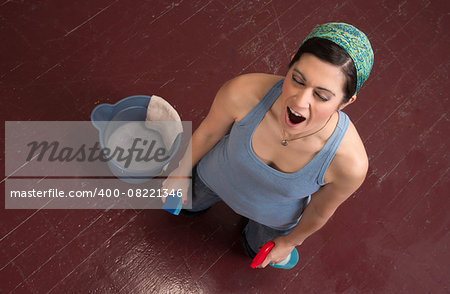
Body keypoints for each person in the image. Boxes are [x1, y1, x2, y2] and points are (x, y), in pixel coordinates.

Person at [162, 22, 374, 269]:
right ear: (291, 61)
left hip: (273, 220)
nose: (300, 101)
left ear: (346, 102)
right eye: (297, 79)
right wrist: (179, 172)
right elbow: (208, 135)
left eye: (322, 96)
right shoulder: (243, 92)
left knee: (254, 248)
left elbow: (319, 212)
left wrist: (290, 242)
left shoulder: (350, 163)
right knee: (188, 207)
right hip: (213, 178)